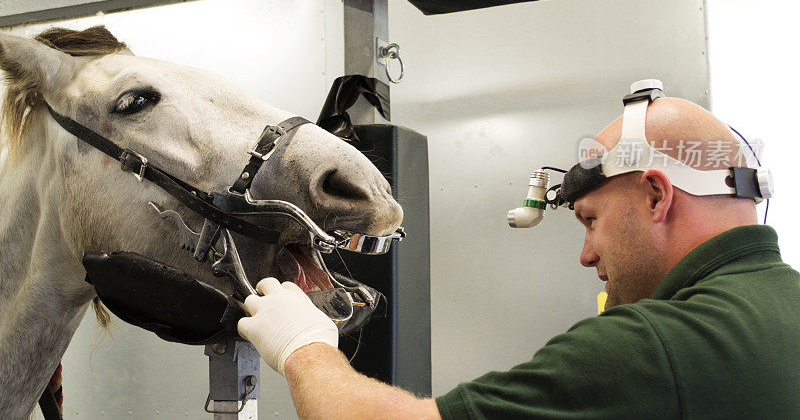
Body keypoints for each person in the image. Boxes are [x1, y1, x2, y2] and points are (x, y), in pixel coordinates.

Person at [238, 94, 800, 419]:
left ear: (656, 194)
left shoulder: (652, 348)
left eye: (591, 221)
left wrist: (303, 347)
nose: (585, 256)